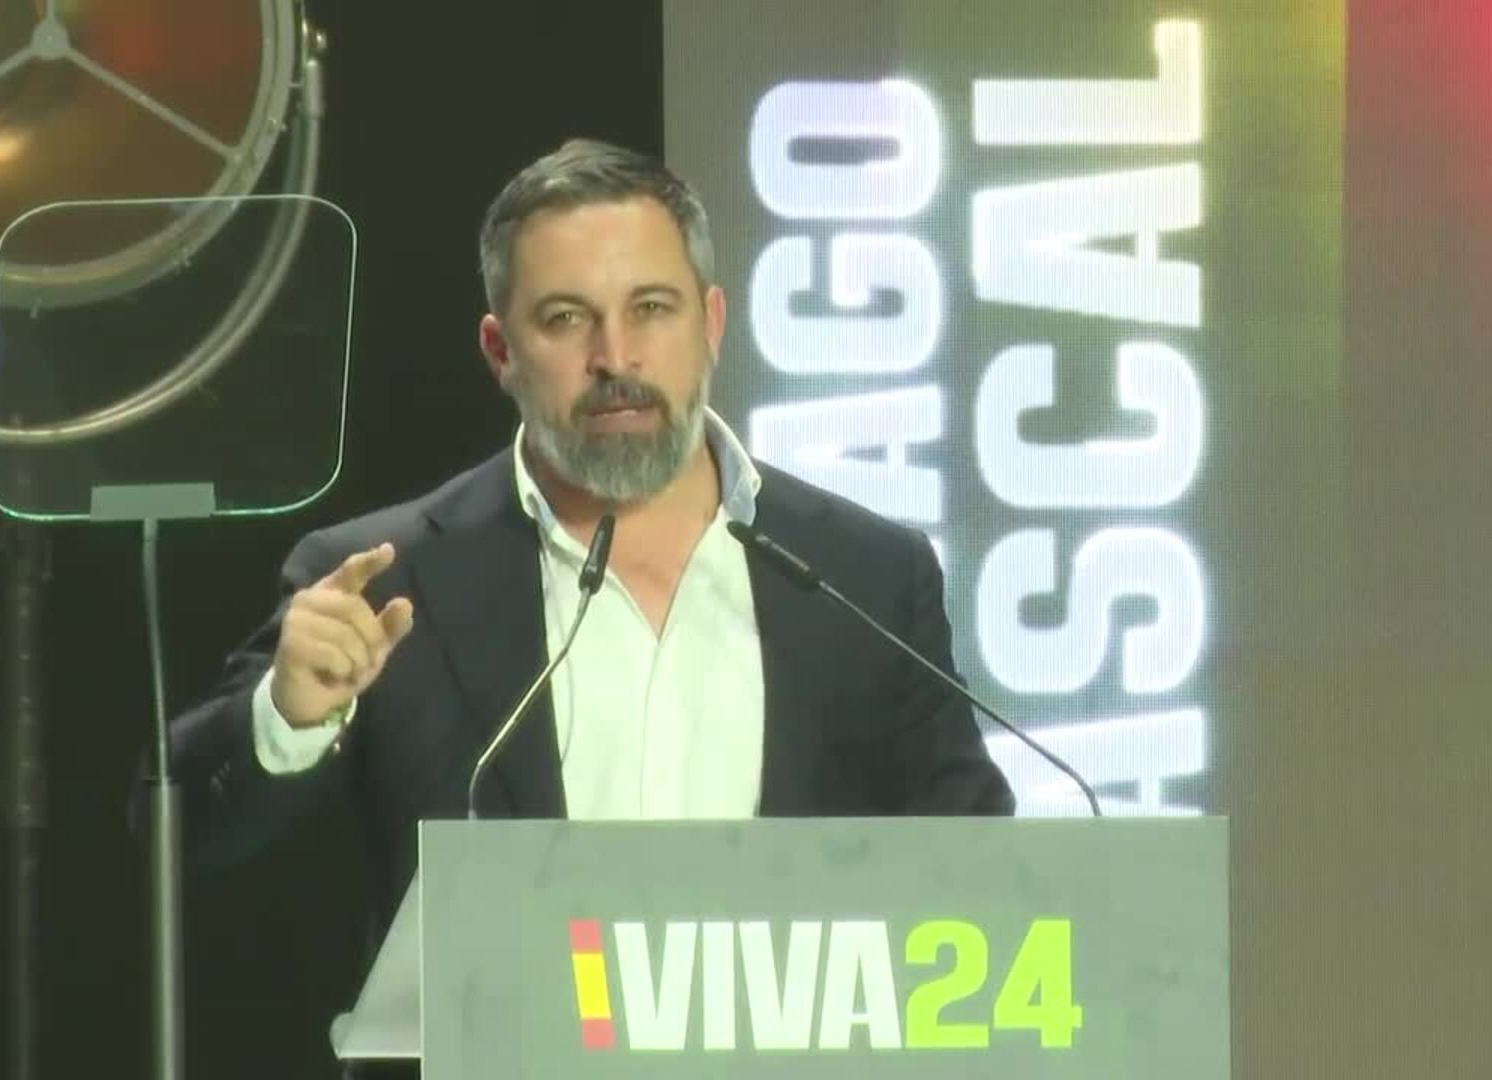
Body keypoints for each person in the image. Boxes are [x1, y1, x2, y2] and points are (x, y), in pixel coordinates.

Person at [157, 137, 1015, 963]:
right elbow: (183, 831)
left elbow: (978, 868)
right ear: (500, 351)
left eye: (652, 308)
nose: (615, 357)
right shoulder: (381, 580)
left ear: (711, 325)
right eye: (566, 319)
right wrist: (287, 717)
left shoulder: (868, 575)